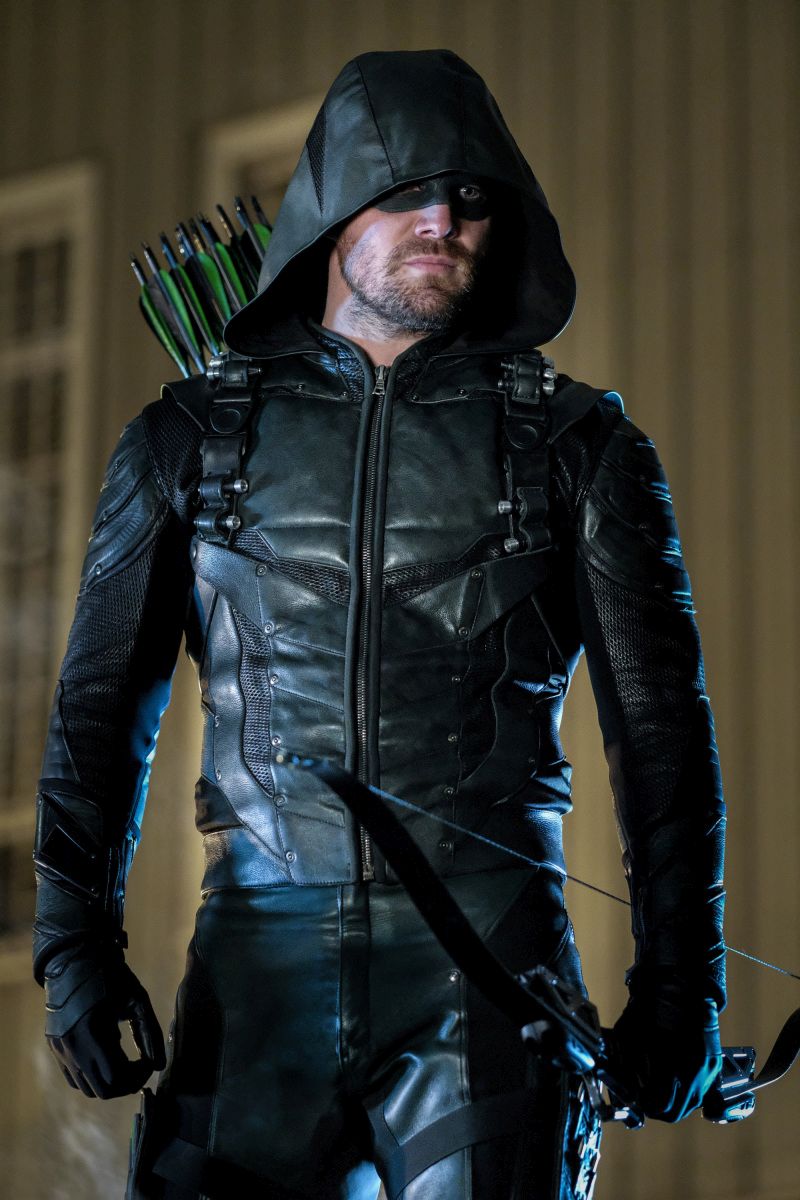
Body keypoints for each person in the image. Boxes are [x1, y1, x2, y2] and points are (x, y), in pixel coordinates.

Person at [33, 48, 726, 1200]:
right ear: (332, 204)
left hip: (489, 989)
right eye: (406, 188)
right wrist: (74, 953)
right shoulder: (186, 439)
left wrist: (680, 987)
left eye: (470, 196)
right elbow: (99, 717)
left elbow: (662, 740)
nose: (443, 219)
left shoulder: (580, 448)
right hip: (253, 985)